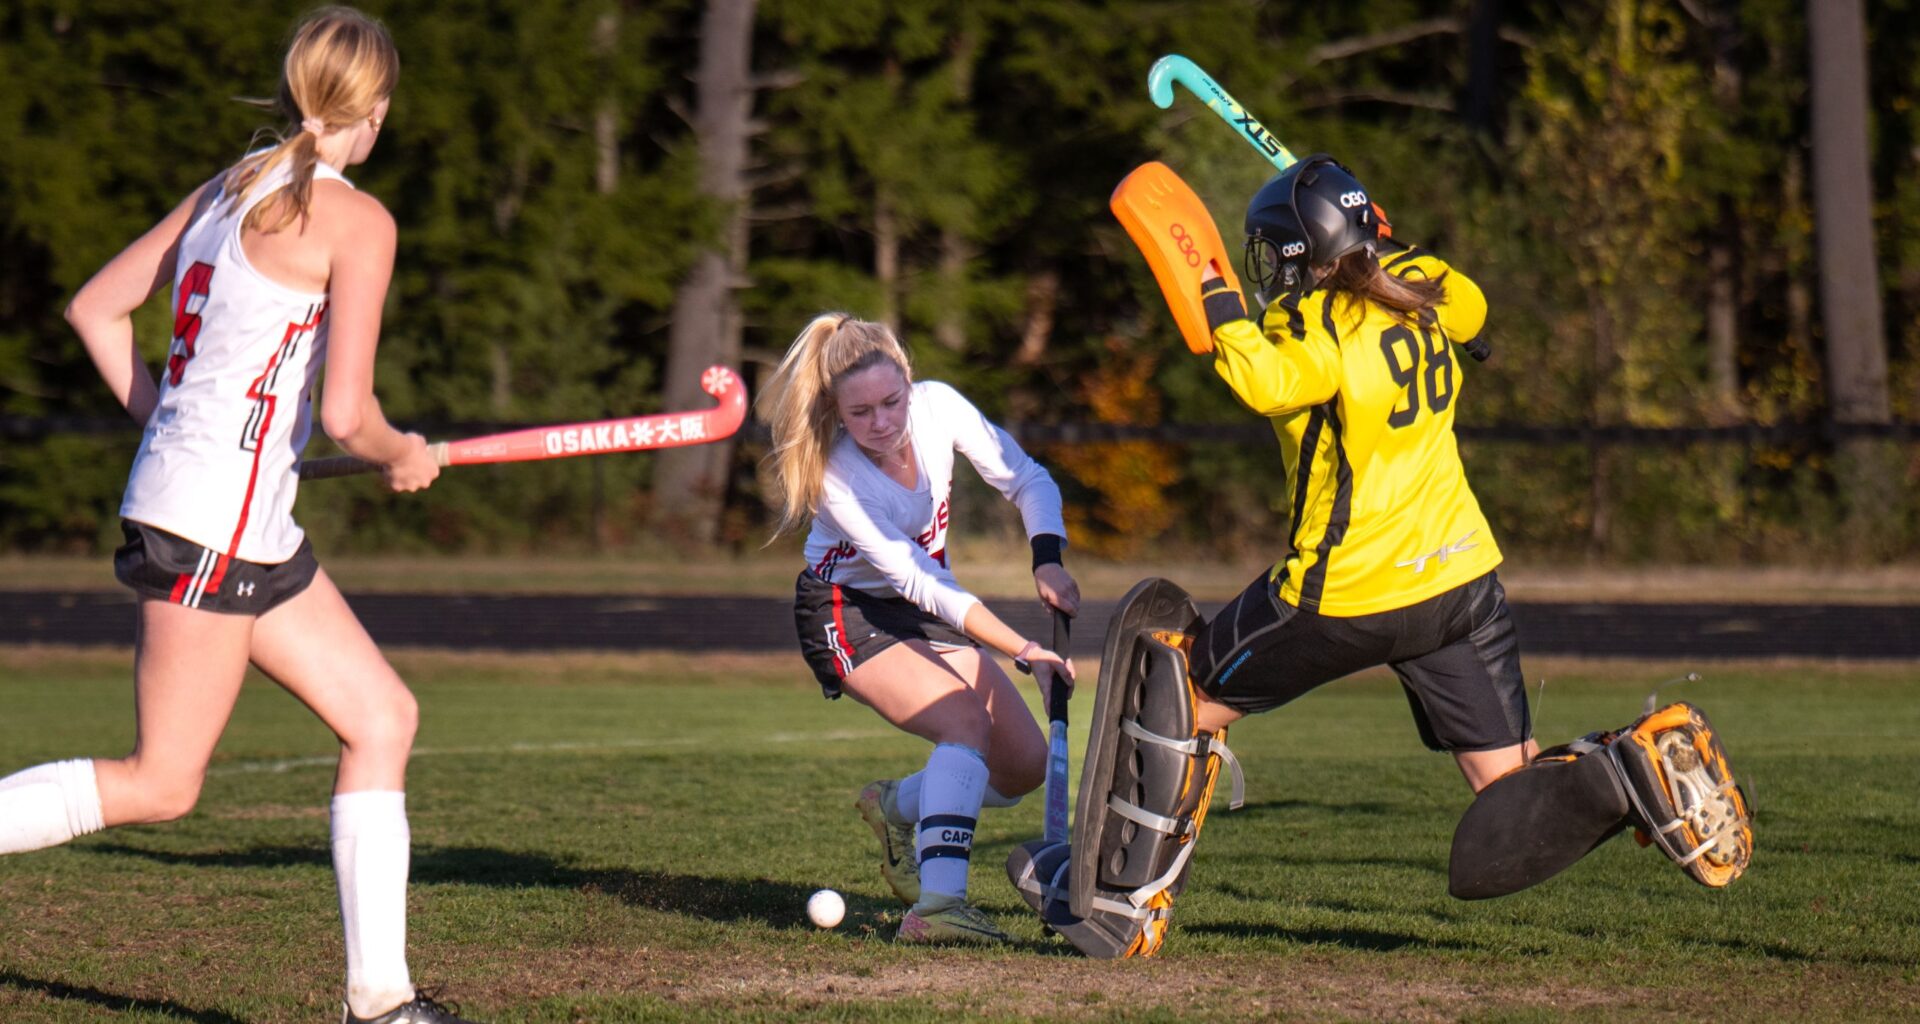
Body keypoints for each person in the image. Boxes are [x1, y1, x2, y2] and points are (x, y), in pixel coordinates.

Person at [5, 8, 478, 1023]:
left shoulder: (232, 184)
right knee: (162, 783)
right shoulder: (358, 220)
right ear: (376, 108)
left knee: (382, 717)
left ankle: (380, 1002)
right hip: (213, 525)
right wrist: (402, 453)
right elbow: (348, 415)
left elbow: (95, 309)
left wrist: (169, 425)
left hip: (240, 518)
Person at [1185, 154, 1539, 791]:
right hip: (1458, 579)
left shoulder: (1312, 321)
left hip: (1349, 589)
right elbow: (1474, 310)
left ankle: (1123, 857)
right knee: (1511, 782)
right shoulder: (1424, 277)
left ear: (1302, 253)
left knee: (1179, 697)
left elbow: (1267, 383)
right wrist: (1383, 244)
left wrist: (1219, 306)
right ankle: (1630, 772)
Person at [763, 313, 1080, 944]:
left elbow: (1028, 478)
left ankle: (893, 806)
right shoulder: (838, 474)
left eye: (891, 402)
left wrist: (1047, 557)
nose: (881, 423)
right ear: (837, 411)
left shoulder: (939, 407)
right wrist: (1024, 650)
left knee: (1023, 766)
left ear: (909, 382)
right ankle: (937, 909)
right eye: (860, 413)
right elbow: (918, 579)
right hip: (847, 610)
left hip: (922, 607)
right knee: (964, 723)